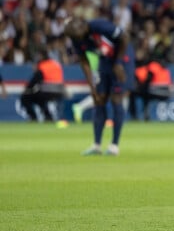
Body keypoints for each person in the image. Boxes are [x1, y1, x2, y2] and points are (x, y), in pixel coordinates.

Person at [64, 17, 135, 156]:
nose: (78, 39)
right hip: (105, 60)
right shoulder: (76, 37)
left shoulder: (101, 26)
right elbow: (84, 61)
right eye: (74, 37)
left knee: (116, 99)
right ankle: (96, 145)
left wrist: (119, 63)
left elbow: (124, 38)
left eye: (79, 35)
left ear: (84, 26)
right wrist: (92, 87)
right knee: (99, 98)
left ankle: (114, 145)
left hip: (122, 56)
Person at [20, 48, 65, 122]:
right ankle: (48, 116)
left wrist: (26, 89)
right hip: (59, 90)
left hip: (47, 90)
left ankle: (33, 117)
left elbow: (35, 80)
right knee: (40, 99)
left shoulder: (42, 65)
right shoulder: (56, 63)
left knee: (25, 97)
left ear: (41, 56)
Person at [71, 50, 100, 123]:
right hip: (96, 71)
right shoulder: (92, 49)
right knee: (101, 95)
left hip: (95, 71)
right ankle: (80, 107)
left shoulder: (88, 49)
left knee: (102, 96)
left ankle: (80, 107)